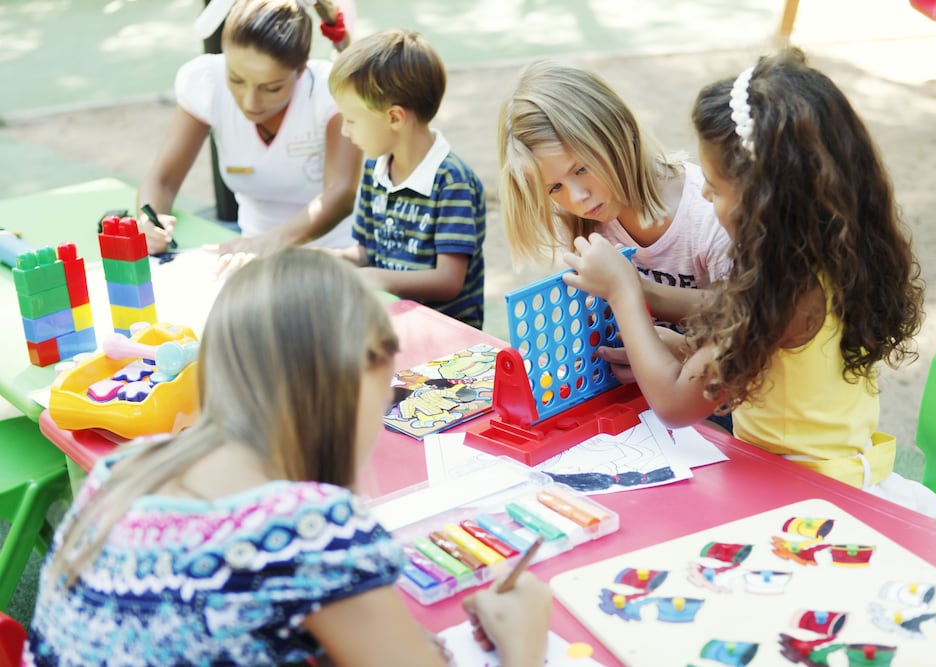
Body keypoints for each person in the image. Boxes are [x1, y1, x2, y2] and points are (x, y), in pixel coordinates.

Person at [24, 248, 552, 666]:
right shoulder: (309, 528)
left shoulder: (127, 469)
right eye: (387, 388)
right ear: (351, 380)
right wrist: (524, 642)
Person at [562, 48, 936, 527]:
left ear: (762, 197)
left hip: (807, 504)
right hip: (835, 474)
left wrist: (625, 291)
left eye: (713, 184)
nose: (703, 193)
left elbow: (673, 404)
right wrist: (681, 334)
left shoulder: (776, 294)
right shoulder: (827, 257)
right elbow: (778, 356)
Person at [498, 60, 731, 329]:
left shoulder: (710, 211)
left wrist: (631, 289)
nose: (577, 197)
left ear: (619, 130)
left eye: (582, 168)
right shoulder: (581, 222)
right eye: (555, 187)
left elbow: (746, 315)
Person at [136, 0, 363, 266]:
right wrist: (147, 222)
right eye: (236, 79)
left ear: (302, 69)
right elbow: (162, 180)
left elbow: (341, 193)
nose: (250, 102)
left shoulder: (330, 91)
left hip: (337, 256)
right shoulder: (206, 82)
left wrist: (267, 243)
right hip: (245, 253)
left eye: (272, 88)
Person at [327, 29, 488, 330]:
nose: (345, 132)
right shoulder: (375, 168)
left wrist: (378, 278)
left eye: (351, 120)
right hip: (392, 325)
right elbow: (368, 252)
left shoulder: (451, 181)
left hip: (447, 340)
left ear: (395, 118)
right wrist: (331, 259)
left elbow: (448, 281)